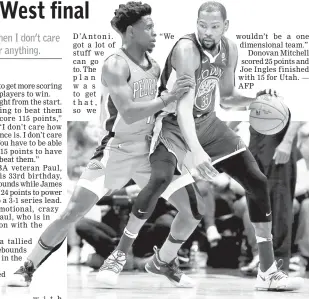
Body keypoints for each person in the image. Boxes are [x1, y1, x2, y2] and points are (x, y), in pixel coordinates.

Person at [101, 1, 304, 291]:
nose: (207, 32)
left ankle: (268, 271)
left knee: (257, 181)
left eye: (214, 26)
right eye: (202, 25)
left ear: (226, 26)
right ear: (196, 24)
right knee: (159, 179)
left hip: (208, 122)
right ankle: (118, 254)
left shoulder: (230, 49)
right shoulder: (186, 49)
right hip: (172, 124)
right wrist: (195, 151)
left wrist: (257, 101)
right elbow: (183, 107)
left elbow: (227, 97)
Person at [6, 1, 195, 287]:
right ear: (131, 32)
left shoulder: (155, 66)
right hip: (115, 151)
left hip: (148, 151)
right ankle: (27, 266)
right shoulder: (114, 64)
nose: (155, 32)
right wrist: (168, 98)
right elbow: (130, 112)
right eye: (149, 27)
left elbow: (154, 109)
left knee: (192, 209)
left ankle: (164, 262)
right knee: (72, 212)